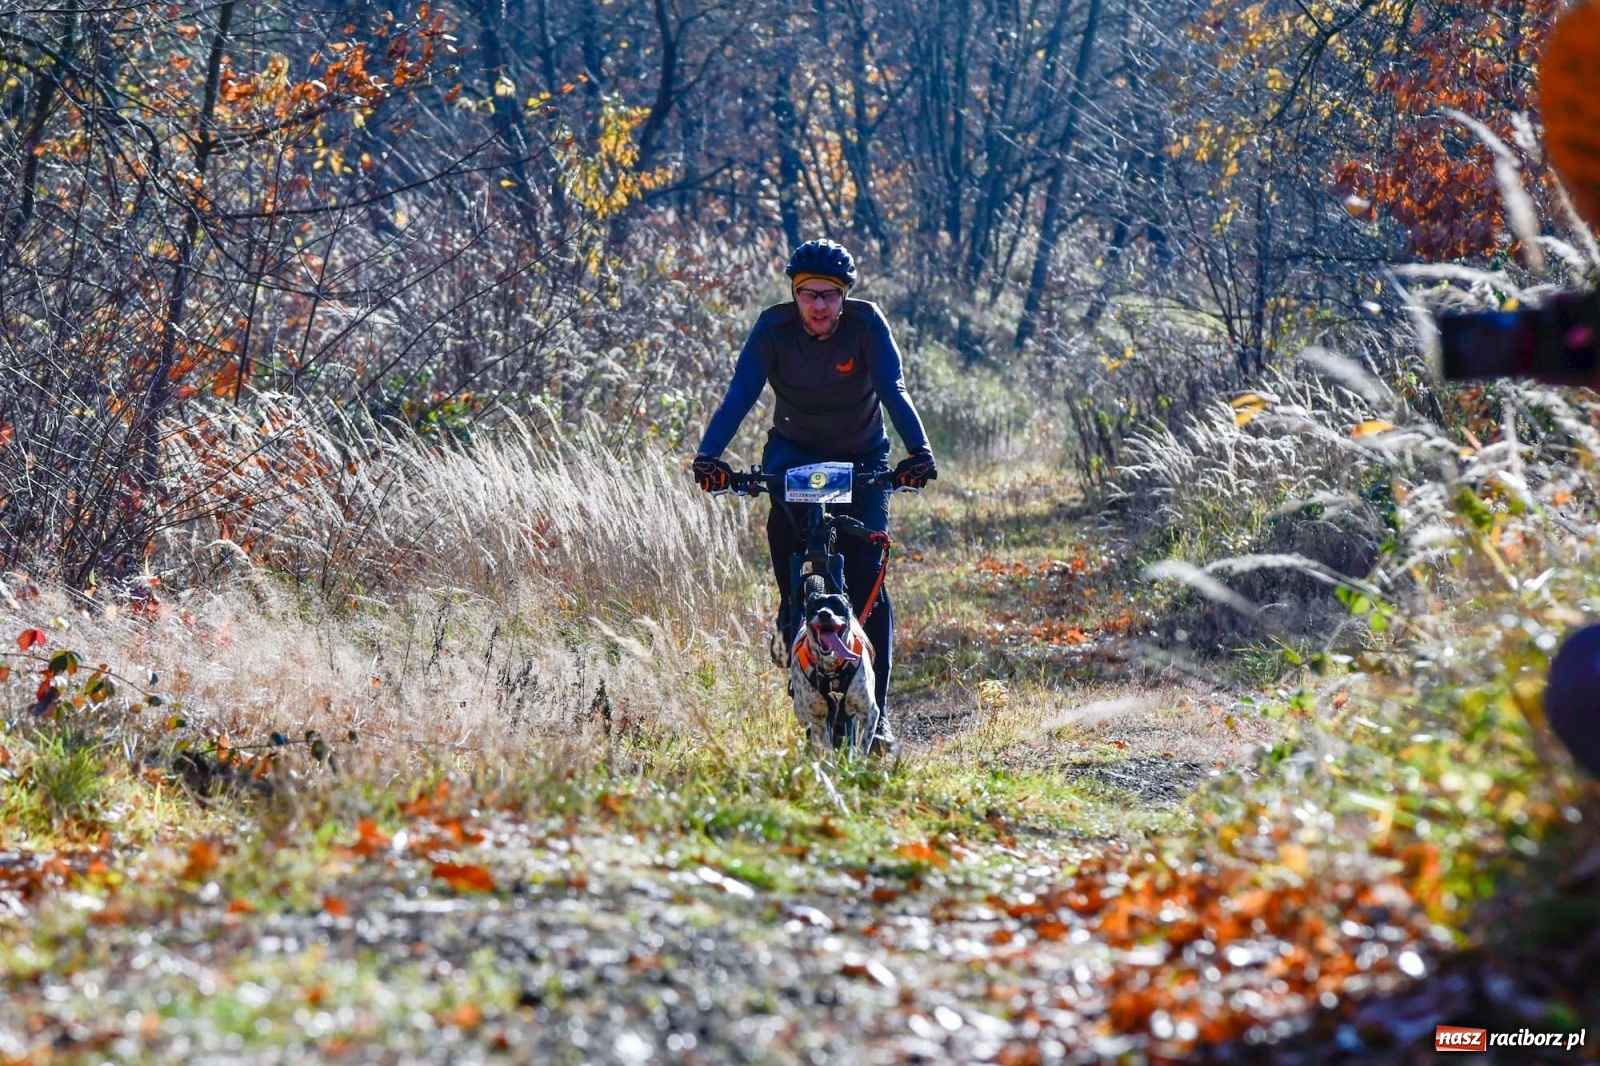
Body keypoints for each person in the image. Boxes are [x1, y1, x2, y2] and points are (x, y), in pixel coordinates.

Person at [692, 239, 937, 751]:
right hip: (793, 453)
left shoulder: (867, 326)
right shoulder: (773, 329)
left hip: (862, 457)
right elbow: (740, 393)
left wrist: (919, 452)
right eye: (808, 295)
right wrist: (710, 457)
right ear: (794, 294)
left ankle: (879, 717)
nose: (819, 306)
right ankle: (791, 619)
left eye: (829, 295)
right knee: (786, 538)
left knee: (870, 580)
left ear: (845, 297)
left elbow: (894, 388)